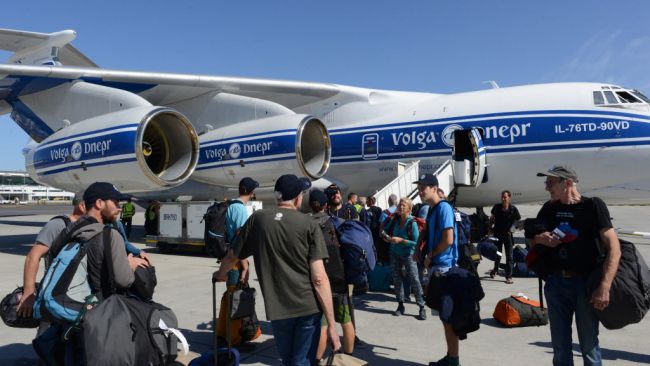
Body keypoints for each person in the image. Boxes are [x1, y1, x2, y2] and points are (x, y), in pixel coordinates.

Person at [214, 174, 341, 365]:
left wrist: (221, 274)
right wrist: (331, 324)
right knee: (302, 362)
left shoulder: (258, 219)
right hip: (308, 307)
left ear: (277, 196)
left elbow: (232, 256)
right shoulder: (309, 224)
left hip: (278, 309)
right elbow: (319, 278)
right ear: (298, 198)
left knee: (288, 360)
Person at [531, 166, 620, 366]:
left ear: (568, 183)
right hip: (556, 284)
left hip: (585, 285)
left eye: (550, 183)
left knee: (589, 346)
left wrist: (604, 286)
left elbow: (614, 248)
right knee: (560, 348)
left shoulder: (592, 207)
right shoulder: (549, 208)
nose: (547, 188)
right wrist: (540, 238)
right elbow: (533, 239)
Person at [17, 194, 86, 333]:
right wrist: (29, 293)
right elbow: (33, 256)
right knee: (48, 340)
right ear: (82, 206)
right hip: (53, 297)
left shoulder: (92, 226)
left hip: (78, 296)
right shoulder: (58, 224)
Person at [414, 173, 460, 366]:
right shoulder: (432, 210)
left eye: (423, 187)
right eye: (419, 187)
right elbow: (425, 231)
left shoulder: (444, 208)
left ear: (434, 188)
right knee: (443, 317)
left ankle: (453, 360)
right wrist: (418, 248)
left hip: (444, 268)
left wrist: (430, 255)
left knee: (448, 318)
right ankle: (450, 356)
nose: (420, 191)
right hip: (437, 268)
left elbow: (448, 240)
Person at [309, 189, 356, 360]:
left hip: (317, 280)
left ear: (309, 205)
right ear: (326, 205)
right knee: (346, 320)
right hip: (339, 278)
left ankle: (317, 360)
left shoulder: (305, 223)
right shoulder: (337, 223)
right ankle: (348, 357)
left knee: (323, 324)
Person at [216, 177, 257, 346]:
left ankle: (222, 333)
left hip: (229, 255)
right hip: (236, 259)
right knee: (235, 298)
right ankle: (233, 339)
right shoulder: (240, 210)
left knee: (229, 296)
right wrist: (245, 263)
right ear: (251, 191)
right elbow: (241, 237)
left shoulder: (231, 206)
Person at [382, 197, 426, 320]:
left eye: (404, 206)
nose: (401, 207)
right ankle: (400, 305)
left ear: (409, 209)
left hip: (408, 254)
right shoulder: (395, 220)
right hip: (394, 252)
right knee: (397, 279)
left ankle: (422, 306)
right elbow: (384, 230)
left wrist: (401, 240)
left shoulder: (412, 223)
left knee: (414, 279)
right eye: (400, 205)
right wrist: (386, 236)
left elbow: (416, 242)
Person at [489, 190, 521, 284]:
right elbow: (492, 218)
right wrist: (490, 228)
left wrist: (512, 230)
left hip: (507, 236)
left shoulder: (513, 209)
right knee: (498, 255)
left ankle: (509, 276)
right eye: (502, 197)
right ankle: (495, 270)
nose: (503, 198)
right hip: (497, 234)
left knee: (509, 257)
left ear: (509, 198)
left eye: (505, 197)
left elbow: (518, 222)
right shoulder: (497, 207)